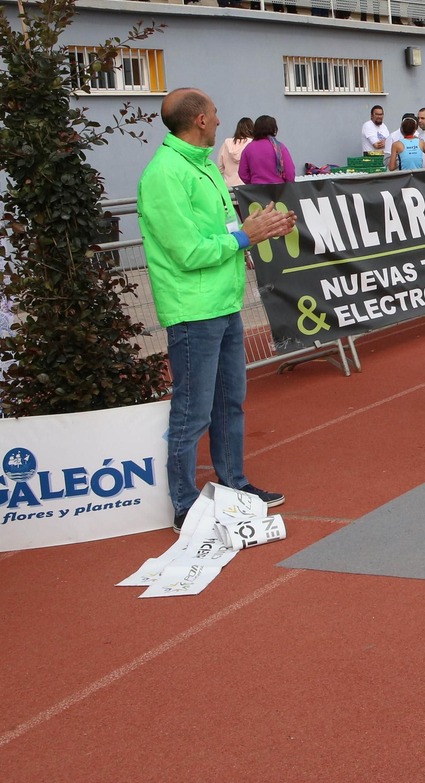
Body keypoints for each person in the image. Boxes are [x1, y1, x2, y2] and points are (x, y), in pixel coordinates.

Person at [138, 89, 293, 529]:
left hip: (223, 303)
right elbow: (187, 251)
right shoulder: (166, 174)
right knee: (193, 410)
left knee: (230, 402)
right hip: (193, 309)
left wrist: (260, 230)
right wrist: (244, 237)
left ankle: (235, 485)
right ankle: (184, 505)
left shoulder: (201, 166)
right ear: (201, 120)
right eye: (216, 114)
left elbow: (223, 231)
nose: (222, 120)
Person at [237, 114, 295, 185]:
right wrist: (287, 185)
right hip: (278, 190)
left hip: (257, 190)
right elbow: (290, 172)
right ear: (274, 129)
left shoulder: (248, 148)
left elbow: (242, 173)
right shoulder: (280, 147)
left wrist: (252, 183)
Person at [216, 116, 254, 188]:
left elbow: (220, 168)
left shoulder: (226, 144)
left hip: (229, 188)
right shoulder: (252, 145)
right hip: (246, 189)